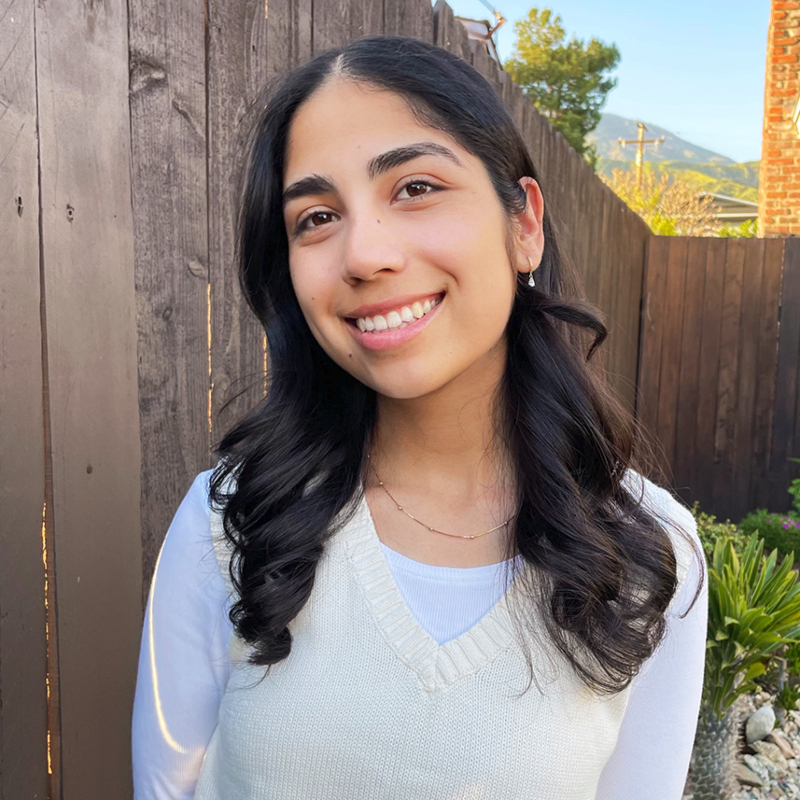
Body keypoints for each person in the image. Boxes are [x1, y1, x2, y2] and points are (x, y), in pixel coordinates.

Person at [132, 35, 708, 800]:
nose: (363, 253)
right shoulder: (230, 520)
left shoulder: (648, 556)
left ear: (523, 224)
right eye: (316, 217)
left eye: (414, 188)